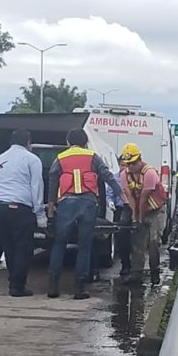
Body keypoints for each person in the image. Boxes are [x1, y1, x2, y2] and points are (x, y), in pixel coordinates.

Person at [46, 129, 125, 300]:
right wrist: (122, 196)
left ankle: (53, 286)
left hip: (66, 204)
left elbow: (53, 183)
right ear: (85, 142)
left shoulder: (60, 158)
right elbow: (108, 177)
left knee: (59, 244)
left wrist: (51, 208)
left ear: (68, 142)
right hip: (88, 204)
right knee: (84, 246)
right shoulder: (93, 157)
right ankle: (79, 288)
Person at [0, 129, 43, 297]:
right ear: (28, 143)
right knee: (23, 248)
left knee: (9, 247)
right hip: (20, 209)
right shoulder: (32, 159)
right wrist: (40, 215)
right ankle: (17, 286)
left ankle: (13, 281)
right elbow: (36, 187)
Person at [120, 142, 168, 286]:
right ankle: (136, 273)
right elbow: (130, 196)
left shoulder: (149, 173)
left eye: (133, 163)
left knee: (153, 243)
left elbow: (144, 197)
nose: (131, 166)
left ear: (140, 159)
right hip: (140, 210)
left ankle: (155, 274)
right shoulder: (124, 175)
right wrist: (135, 218)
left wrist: (140, 217)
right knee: (137, 242)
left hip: (156, 211)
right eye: (128, 164)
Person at [111, 155, 133, 278]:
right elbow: (110, 192)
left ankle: (132, 265)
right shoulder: (115, 178)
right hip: (119, 209)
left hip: (132, 210)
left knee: (131, 239)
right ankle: (125, 264)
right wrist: (110, 202)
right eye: (122, 165)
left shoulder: (133, 178)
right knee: (121, 239)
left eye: (127, 165)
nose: (124, 168)